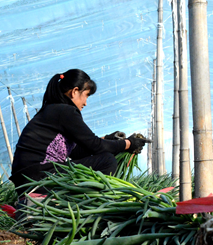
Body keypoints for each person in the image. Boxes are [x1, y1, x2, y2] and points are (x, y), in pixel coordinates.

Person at [10, 69, 146, 191]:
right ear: (75, 91)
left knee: (103, 156)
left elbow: (77, 151)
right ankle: (86, 203)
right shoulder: (65, 111)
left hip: (28, 180)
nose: (86, 102)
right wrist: (128, 144)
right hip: (39, 178)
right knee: (107, 160)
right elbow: (95, 146)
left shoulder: (52, 110)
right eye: (86, 95)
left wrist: (108, 139)